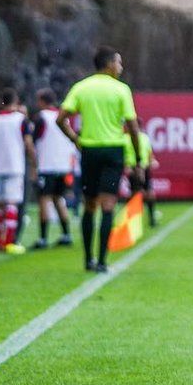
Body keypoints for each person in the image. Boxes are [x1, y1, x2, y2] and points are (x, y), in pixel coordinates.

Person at [57, 46, 142, 273]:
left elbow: (61, 119)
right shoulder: (121, 90)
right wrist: (138, 159)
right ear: (109, 64)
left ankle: (88, 259)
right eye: (119, 62)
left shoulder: (81, 88)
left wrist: (75, 138)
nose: (121, 67)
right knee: (108, 206)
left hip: (90, 151)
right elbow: (133, 127)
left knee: (89, 205)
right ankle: (103, 261)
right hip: (113, 151)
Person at [0, 88, 35, 254]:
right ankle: (9, 242)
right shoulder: (21, 120)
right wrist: (34, 161)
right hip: (14, 166)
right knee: (11, 203)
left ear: (1, 102)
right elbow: (28, 143)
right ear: (16, 102)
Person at [31, 89, 78, 249]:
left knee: (44, 199)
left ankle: (43, 238)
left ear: (42, 101)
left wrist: (33, 163)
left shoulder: (41, 118)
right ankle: (66, 234)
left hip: (47, 164)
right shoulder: (63, 117)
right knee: (59, 199)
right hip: (63, 166)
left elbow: (33, 141)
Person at [123, 119, 159, 226]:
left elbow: (149, 153)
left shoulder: (144, 138)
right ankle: (131, 219)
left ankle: (151, 218)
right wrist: (126, 166)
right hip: (133, 168)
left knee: (150, 193)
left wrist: (152, 161)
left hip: (144, 167)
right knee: (135, 194)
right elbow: (122, 155)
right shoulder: (125, 138)